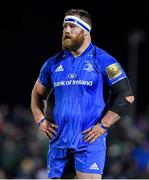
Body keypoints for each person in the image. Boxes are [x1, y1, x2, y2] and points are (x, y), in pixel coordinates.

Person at [31, 9, 134, 179]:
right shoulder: (52, 63)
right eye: (64, 26)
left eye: (72, 26)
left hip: (88, 144)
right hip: (59, 144)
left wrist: (103, 126)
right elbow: (37, 94)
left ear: (85, 31)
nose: (66, 31)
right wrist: (40, 120)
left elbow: (126, 96)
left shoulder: (104, 61)